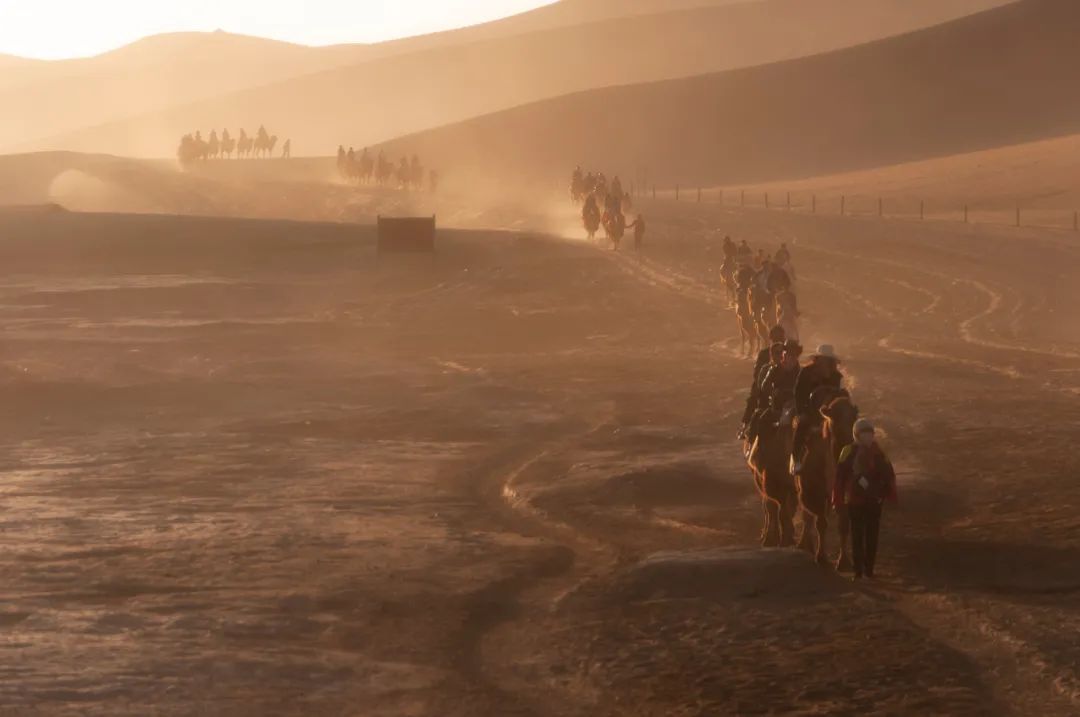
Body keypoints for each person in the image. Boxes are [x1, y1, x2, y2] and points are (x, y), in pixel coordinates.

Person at [834, 419, 897, 579]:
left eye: (870, 433)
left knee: (872, 536)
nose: (868, 437)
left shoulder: (879, 453)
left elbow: (889, 474)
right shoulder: (848, 451)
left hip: (874, 501)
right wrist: (839, 498)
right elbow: (840, 476)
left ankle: (869, 569)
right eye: (864, 434)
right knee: (857, 536)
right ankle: (858, 571)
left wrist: (885, 494)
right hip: (855, 501)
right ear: (857, 435)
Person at [792, 345, 845, 471]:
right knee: (802, 425)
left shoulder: (837, 377)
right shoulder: (806, 373)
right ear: (817, 359)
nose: (825, 362)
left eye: (828, 359)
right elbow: (798, 393)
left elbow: (841, 395)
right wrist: (802, 411)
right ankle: (796, 459)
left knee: (846, 430)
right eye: (823, 359)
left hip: (830, 412)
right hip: (809, 410)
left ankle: (846, 461)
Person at [739, 325, 786, 438]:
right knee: (754, 397)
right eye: (777, 338)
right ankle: (746, 426)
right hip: (766, 386)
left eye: (780, 338)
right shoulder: (765, 354)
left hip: (784, 390)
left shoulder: (787, 353)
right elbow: (758, 374)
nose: (779, 340)